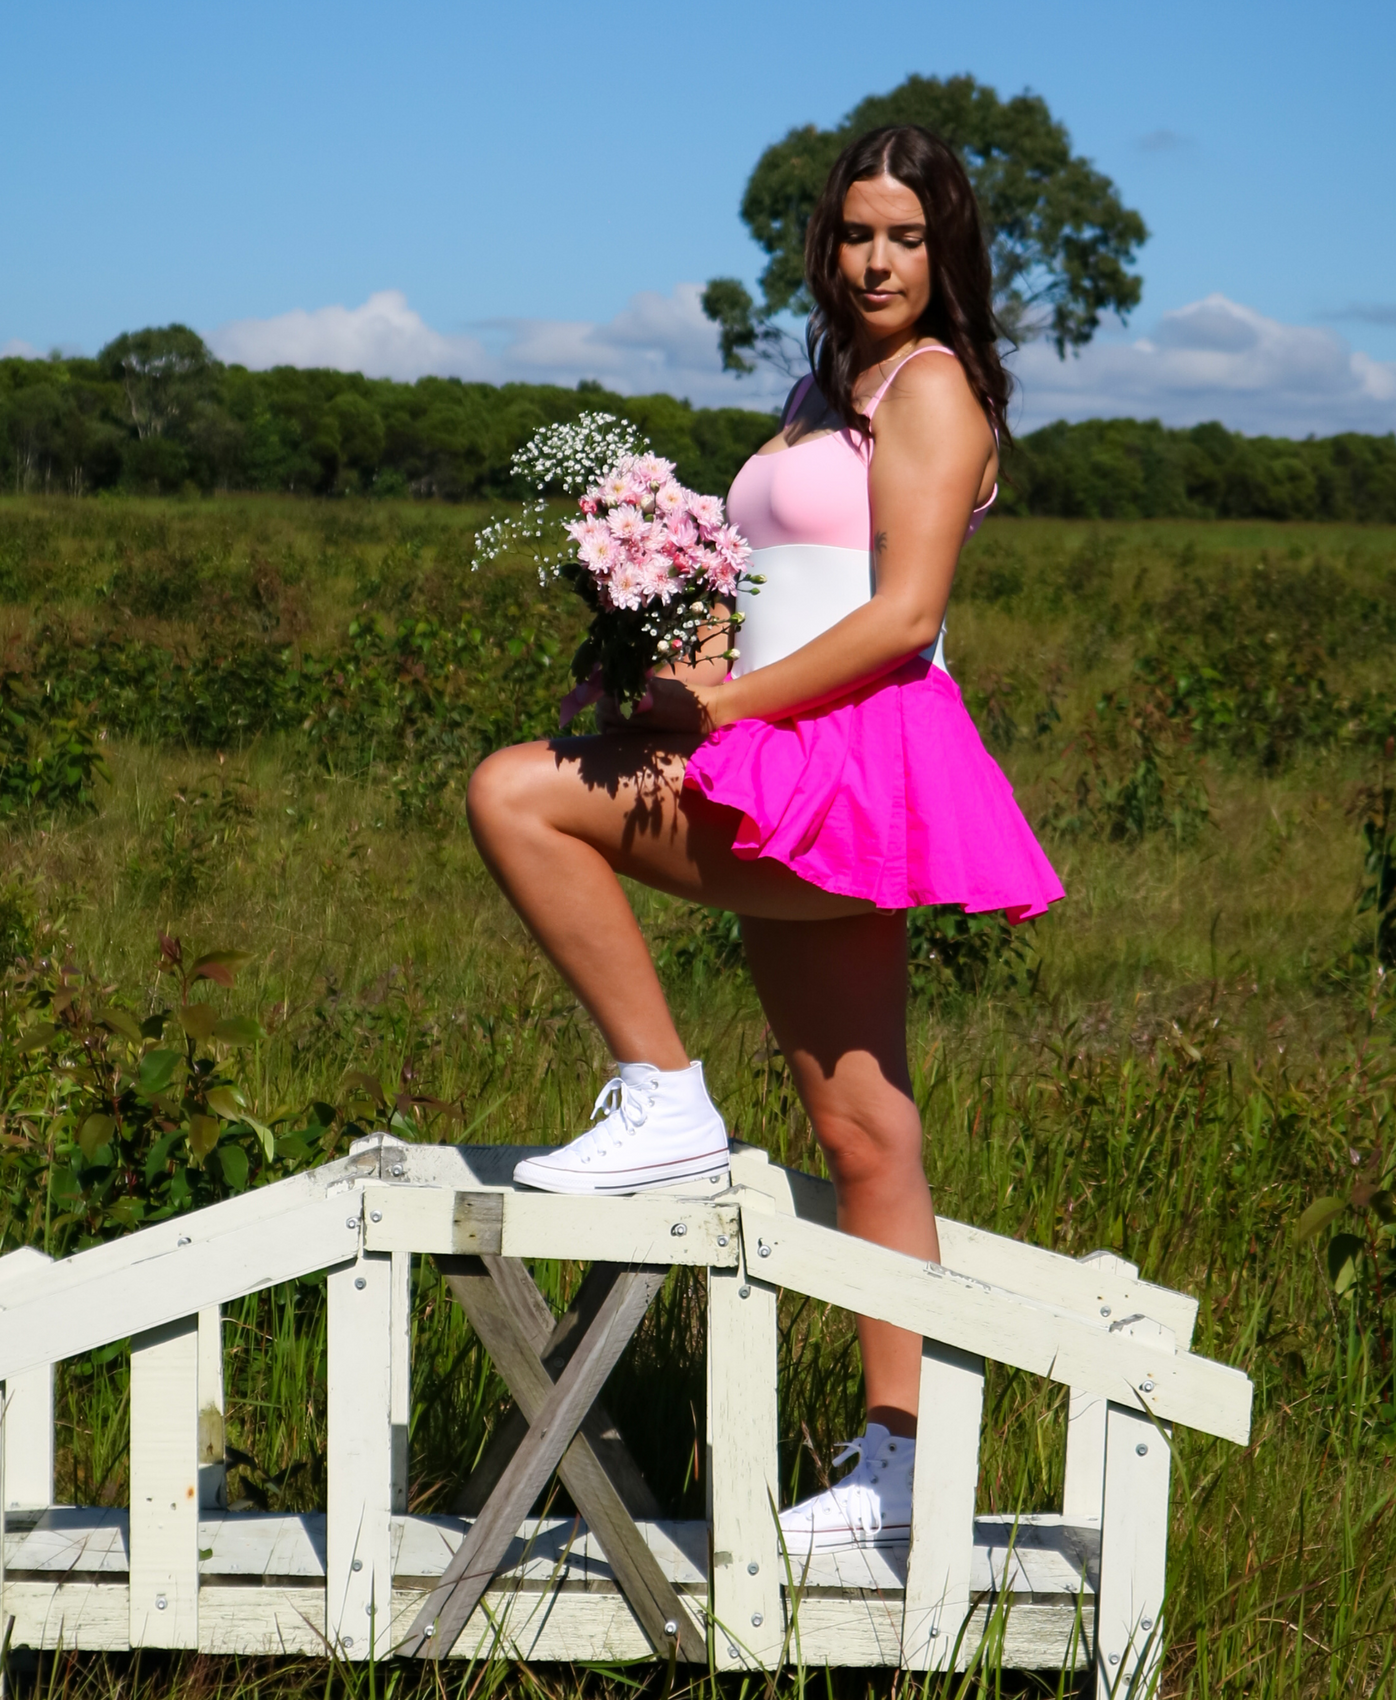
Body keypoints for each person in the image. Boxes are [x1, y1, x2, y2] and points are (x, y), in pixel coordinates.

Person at [465, 124, 1064, 1555]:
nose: (876, 260)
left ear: (950, 252)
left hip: (836, 761)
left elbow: (902, 618)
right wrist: (655, 663)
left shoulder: (933, 393)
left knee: (511, 794)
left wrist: (719, 709)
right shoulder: (820, 390)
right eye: (857, 233)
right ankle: (897, 1473)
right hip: (773, 749)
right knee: (865, 1123)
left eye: (907, 238)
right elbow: (780, 575)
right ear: (824, 244)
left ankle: (664, 1100)